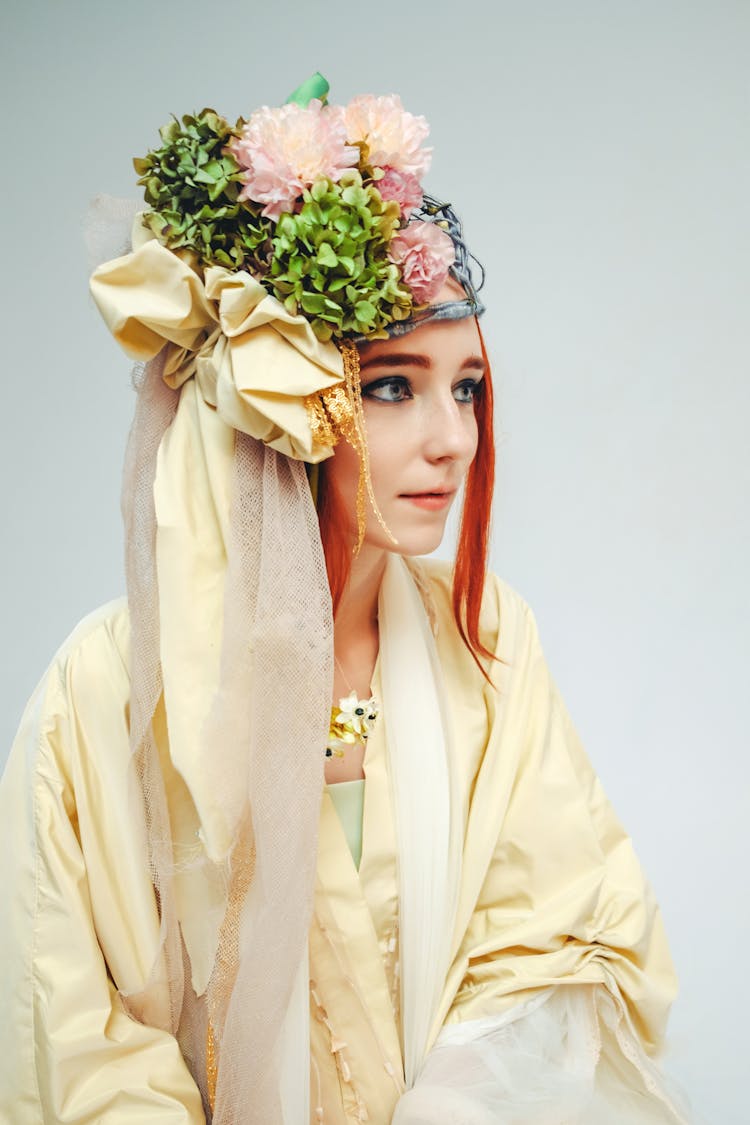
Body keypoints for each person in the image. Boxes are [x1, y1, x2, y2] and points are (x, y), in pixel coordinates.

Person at [0, 75, 692, 1124]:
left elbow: (558, 940)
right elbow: (79, 1034)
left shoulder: (490, 641)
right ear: (280, 409)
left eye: (465, 387)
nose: (452, 438)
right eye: (391, 386)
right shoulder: (100, 693)